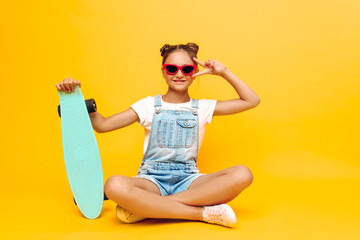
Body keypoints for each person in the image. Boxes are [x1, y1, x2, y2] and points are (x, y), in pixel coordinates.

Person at [55, 42, 260, 228]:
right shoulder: (148, 105)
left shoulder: (203, 107)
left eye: (186, 69)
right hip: (151, 181)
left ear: (194, 72)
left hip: (189, 181)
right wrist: (74, 97)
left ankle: (148, 209)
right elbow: (102, 125)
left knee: (243, 174)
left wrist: (223, 72)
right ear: (163, 72)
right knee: (113, 185)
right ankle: (200, 213)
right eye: (172, 68)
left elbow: (251, 100)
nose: (179, 74)